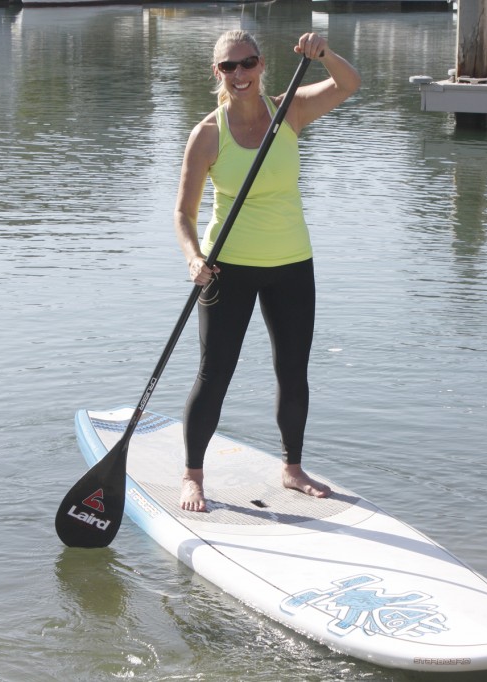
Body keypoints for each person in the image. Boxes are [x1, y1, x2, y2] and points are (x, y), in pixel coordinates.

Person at [173, 30, 360, 512]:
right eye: (229, 67)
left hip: (292, 264)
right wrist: (194, 257)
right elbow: (183, 214)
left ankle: (292, 469)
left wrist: (325, 53)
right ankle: (193, 476)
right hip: (226, 269)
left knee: (293, 372)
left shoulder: (290, 111)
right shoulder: (208, 134)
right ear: (217, 73)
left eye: (248, 63)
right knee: (215, 374)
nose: (240, 74)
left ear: (261, 66)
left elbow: (349, 84)